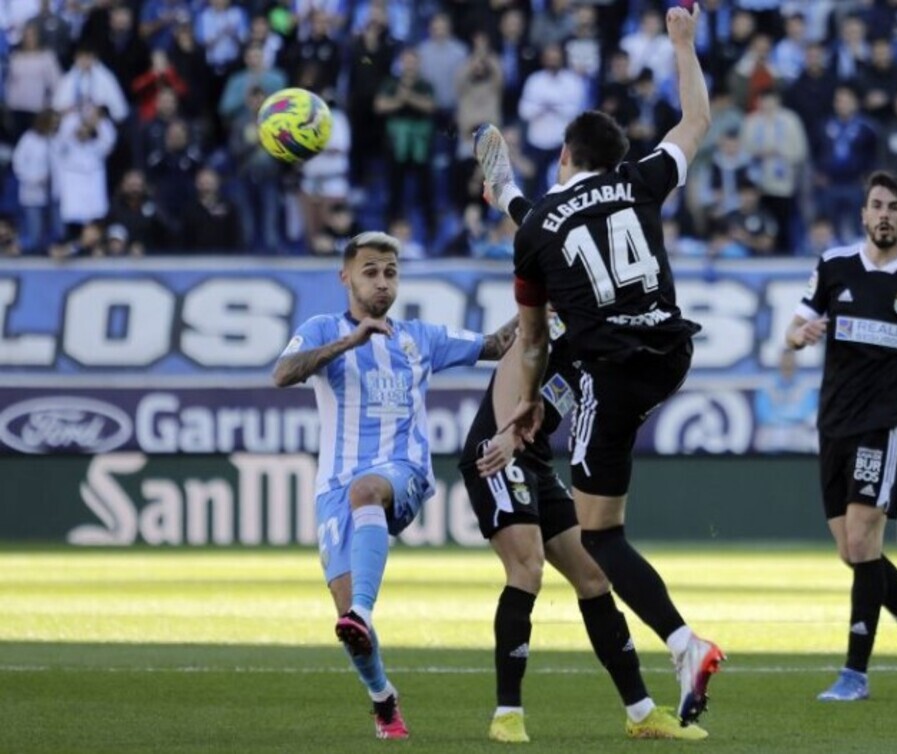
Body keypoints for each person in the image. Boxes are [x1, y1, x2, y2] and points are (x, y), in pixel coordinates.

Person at [474, 4, 724, 727]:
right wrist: (683, 43)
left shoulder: (537, 226)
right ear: (613, 159)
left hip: (608, 372)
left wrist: (527, 403)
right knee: (602, 507)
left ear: (563, 155)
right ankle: (678, 648)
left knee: (598, 534)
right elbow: (696, 120)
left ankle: (682, 644)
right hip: (671, 350)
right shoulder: (641, 181)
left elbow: (531, 339)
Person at [459, 198, 707, 743]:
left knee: (594, 576)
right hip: (494, 455)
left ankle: (641, 714)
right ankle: (507, 715)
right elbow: (510, 382)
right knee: (526, 570)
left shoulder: (588, 348)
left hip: (532, 459)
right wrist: (504, 436)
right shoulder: (541, 334)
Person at [272, 231, 517, 740]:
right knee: (349, 626)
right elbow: (282, 373)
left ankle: (363, 609)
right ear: (345, 276)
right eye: (370, 271)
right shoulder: (321, 328)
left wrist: (543, 300)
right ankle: (384, 700)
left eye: (390, 272)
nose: (382, 283)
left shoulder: (419, 338)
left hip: (401, 473)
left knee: (367, 493)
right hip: (334, 487)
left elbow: (495, 345)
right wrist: (349, 341)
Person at [785, 171, 897, 702]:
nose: (884, 214)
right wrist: (802, 335)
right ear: (863, 213)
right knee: (852, 550)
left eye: (895, 207)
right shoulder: (834, 266)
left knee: (866, 540)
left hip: (882, 424)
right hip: (833, 423)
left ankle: (855, 675)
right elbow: (794, 332)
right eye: (877, 205)